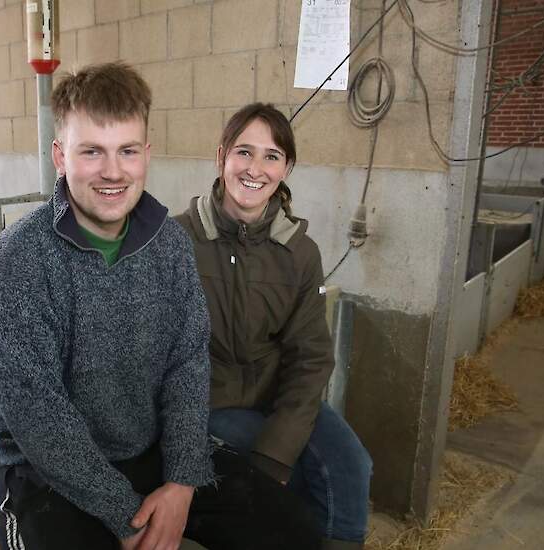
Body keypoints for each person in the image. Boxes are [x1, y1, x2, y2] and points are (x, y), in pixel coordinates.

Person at [0, 63, 322, 550]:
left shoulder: (169, 245)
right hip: (46, 474)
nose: (113, 171)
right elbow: (39, 417)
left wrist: (181, 483)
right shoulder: (17, 265)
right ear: (60, 155)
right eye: (92, 151)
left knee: (294, 532)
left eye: (127, 151)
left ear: (146, 155)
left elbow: (186, 363)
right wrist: (128, 516)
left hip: (150, 452)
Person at [175, 103, 374, 549]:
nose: (255, 168)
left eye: (271, 156)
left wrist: (276, 449)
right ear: (221, 156)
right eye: (244, 152)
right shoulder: (178, 241)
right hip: (213, 401)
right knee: (298, 478)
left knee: (352, 466)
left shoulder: (300, 253)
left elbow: (311, 357)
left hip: (274, 396)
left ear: (287, 168)